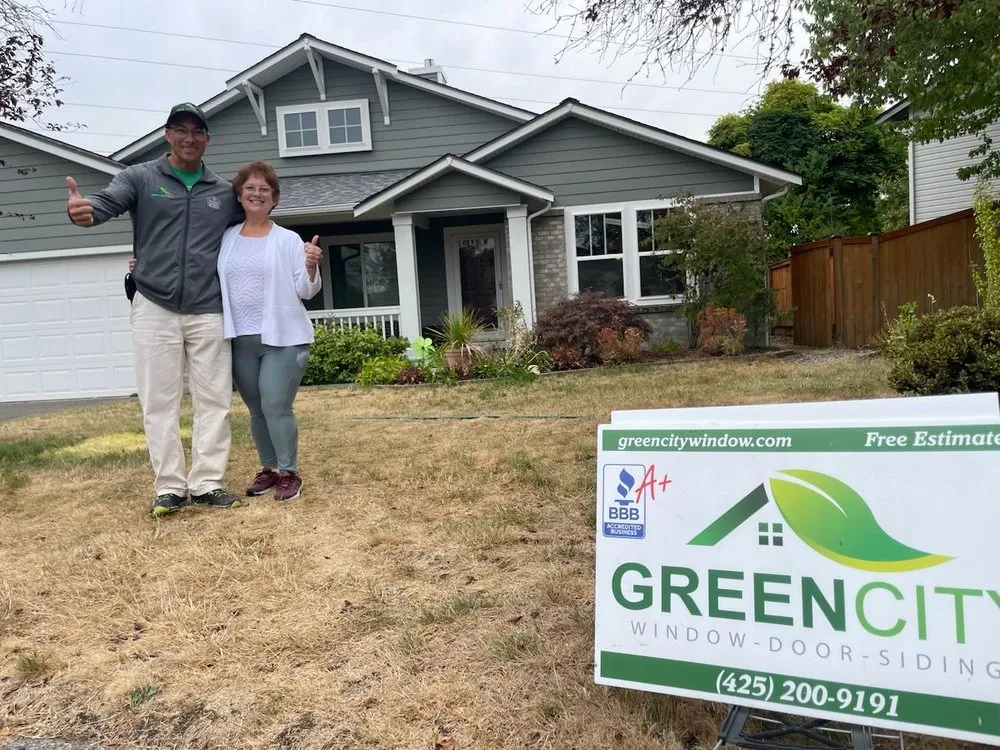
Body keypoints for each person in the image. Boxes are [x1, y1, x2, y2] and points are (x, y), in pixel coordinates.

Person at [66, 102, 322, 518]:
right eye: (180, 130)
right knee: (159, 400)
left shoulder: (222, 192)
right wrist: (87, 211)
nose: (189, 138)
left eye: (197, 131)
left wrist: (304, 260)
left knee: (214, 401)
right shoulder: (140, 178)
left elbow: (256, 221)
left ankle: (207, 483)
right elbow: (108, 201)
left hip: (208, 310)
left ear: (207, 139)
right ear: (167, 135)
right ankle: (169, 486)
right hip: (155, 304)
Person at [217, 160, 322, 502]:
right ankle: (270, 469)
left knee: (276, 403)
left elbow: (305, 289)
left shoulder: (288, 240)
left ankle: (290, 472)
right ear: (239, 195)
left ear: (274, 198)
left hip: (283, 338)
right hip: (240, 338)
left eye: (264, 189)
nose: (257, 193)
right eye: (250, 188)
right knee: (257, 408)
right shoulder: (227, 238)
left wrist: (311, 266)